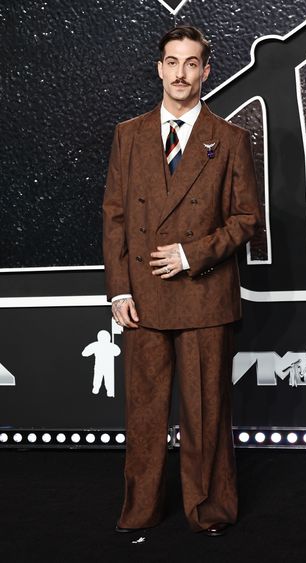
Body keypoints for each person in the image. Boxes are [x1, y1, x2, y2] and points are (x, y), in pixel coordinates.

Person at [103, 25, 260, 536]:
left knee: (206, 414)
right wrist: (119, 288)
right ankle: (141, 510)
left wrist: (192, 253)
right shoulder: (128, 135)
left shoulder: (231, 139)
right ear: (159, 68)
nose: (181, 73)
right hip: (143, 296)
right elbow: (116, 218)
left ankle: (208, 510)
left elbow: (245, 219)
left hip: (203, 294)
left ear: (206, 71)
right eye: (172, 62)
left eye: (192, 63)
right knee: (144, 417)